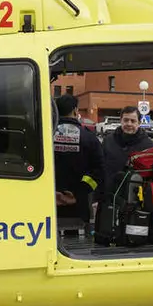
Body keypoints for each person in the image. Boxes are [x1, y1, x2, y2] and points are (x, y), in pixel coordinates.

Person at [52, 94, 105, 224]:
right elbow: (99, 170)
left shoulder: (46, 135)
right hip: (77, 204)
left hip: (49, 201)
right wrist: (80, 192)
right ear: (76, 110)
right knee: (78, 237)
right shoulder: (89, 138)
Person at [101, 105, 153, 181]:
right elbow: (99, 167)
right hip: (109, 190)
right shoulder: (108, 141)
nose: (129, 124)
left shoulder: (149, 146)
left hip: (136, 191)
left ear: (139, 123)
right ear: (121, 120)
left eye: (133, 121)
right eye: (126, 120)